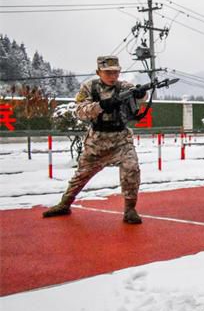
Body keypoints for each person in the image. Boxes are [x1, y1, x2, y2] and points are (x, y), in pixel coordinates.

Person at [42, 56, 148, 224]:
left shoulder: (124, 87)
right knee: (81, 175)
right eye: (108, 73)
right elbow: (80, 112)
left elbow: (140, 99)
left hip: (121, 140)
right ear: (99, 72)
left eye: (116, 72)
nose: (113, 76)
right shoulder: (89, 87)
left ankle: (130, 209)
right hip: (97, 142)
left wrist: (141, 93)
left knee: (131, 168)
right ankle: (64, 204)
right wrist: (102, 105)